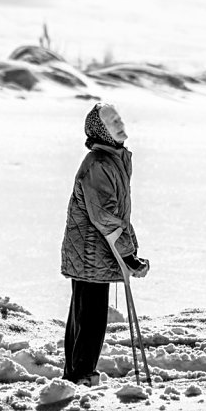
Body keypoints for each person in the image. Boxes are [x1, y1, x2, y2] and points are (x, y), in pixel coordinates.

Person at [60, 102, 149, 386]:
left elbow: (114, 217)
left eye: (119, 118)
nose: (120, 124)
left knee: (87, 311)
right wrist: (128, 254)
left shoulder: (113, 160)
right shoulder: (99, 165)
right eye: (112, 122)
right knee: (91, 315)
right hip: (91, 251)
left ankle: (77, 373)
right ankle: (81, 375)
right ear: (101, 131)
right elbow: (106, 217)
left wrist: (128, 251)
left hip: (96, 249)